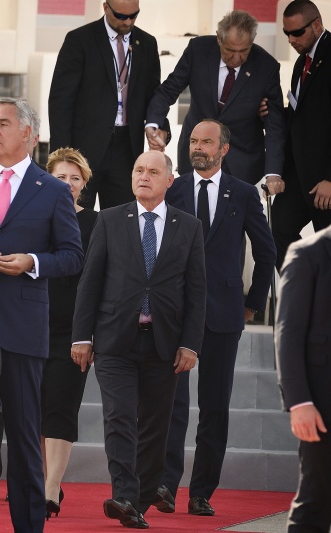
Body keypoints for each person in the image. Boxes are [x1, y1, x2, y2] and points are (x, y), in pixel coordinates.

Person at [0, 98, 83, 533]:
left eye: (4, 124)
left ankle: (30, 525)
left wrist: (32, 262)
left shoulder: (51, 190)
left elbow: (73, 256)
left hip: (22, 328)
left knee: (23, 434)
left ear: (30, 134)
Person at [71, 150, 206, 529]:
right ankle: (124, 494)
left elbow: (197, 291)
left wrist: (191, 343)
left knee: (155, 425)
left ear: (169, 181)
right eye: (138, 170)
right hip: (115, 338)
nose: (143, 176)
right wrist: (82, 336)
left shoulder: (189, 226)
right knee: (119, 417)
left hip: (165, 343)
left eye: (152, 171)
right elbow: (90, 282)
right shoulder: (111, 220)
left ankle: (142, 498)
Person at [154, 120, 275, 517]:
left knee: (215, 407)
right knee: (173, 404)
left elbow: (266, 251)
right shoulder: (171, 190)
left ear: (224, 148)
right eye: (193, 141)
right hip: (174, 312)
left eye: (206, 141)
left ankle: (202, 491)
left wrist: (252, 304)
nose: (198, 147)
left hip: (224, 312)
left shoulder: (242, 192)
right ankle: (166, 485)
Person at [145, 10, 285, 190]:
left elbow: (275, 123)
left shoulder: (267, 66)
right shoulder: (198, 50)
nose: (236, 58)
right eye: (229, 50)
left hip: (241, 162)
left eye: (244, 51)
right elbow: (168, 90)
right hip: (196, 156)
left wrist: (273, 172)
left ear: (253, 40)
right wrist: (153, 125)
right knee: (192, 215)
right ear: (219, 38)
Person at [48, 0, 166, 210]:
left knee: (121, 220)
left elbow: (154, 95)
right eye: (121, 16)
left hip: (126, 149)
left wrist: (160, 126)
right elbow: (60, 102)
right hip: (83, 150)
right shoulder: (80, 40)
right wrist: (62, 156)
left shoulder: (147, 43)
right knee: (76, 216)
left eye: (134, 15)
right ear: (105, 8)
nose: (128, 22)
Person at [40, 147, 98, 520]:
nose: (68, 184)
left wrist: (87, 335)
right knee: (33, 412)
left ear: (84, 185)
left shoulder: (96, 224)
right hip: (29, 326)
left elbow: (98, 283)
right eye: (60, 177)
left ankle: (48, 491)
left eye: (75, 178)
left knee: (60, 409)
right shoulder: (31, 218)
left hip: (73, 332)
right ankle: (47, 480)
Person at [275, 226, 331, 533]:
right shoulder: (307, 253)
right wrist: (299, 402)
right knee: (316, 499)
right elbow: (288, 334)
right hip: (322, 404)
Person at [272, 0, 331, 269]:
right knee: (278, 229)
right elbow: (303, 115)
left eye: (297, 33)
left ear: (316, 24)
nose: (291, 39)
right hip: (299, 175)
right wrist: (271, 113)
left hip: (325, 181)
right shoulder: (301, 63)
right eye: (286, 33)